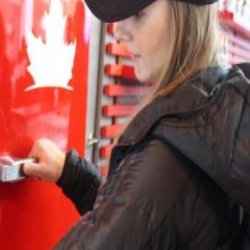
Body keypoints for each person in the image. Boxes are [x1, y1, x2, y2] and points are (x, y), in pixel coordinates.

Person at [22, 0, 250, 249]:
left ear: (184, 20)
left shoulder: (166, 161)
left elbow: (148, 204)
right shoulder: (214, 106)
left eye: (139, 14)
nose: (119, 32)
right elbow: (148, 222)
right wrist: (73, 175)